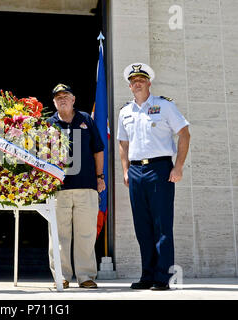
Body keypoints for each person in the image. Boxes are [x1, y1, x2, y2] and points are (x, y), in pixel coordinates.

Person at [117, 63, 190, 290]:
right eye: (133, 80)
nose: (137, 83)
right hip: (136, 171)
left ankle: (162, 277)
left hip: (159, 169)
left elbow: (184, 134)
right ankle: (147, 275)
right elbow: (123, 142)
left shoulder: (164, 106)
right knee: (142, 226)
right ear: (129, 86)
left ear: (149, 82)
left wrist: (178, 167)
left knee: (162, 225)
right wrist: (125, 170)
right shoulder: (125, 111)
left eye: (141, 79)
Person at [47, 83, 106, 289]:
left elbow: (98, 150)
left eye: (66, 96)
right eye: (58, 97)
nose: (62, 99)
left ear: (73, 100)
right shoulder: (48, 124)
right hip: (58, 190)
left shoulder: (86, 120)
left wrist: (100, 177)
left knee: (86, 234)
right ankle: (61, 277)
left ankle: (86, 276)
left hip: (86, 187)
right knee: (59, 235)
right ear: (54, 102)